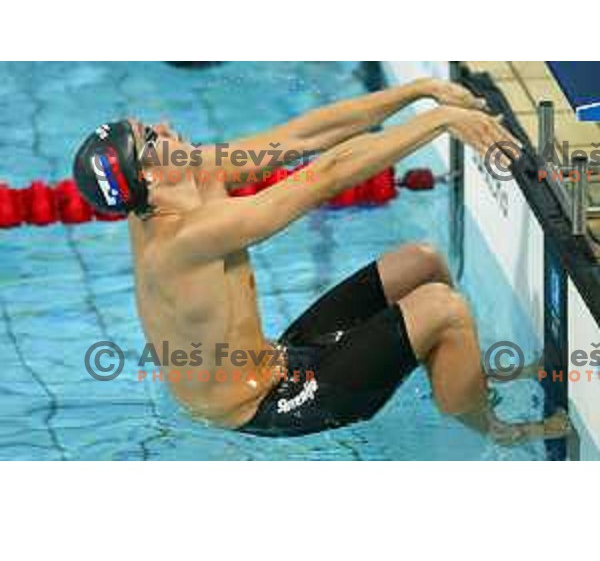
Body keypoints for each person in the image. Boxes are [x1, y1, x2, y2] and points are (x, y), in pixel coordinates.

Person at [73, 77, 569, 443]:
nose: (163, 126)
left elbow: (302, 138)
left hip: (279, 359)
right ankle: (495, 430)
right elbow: (323, 177)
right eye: (152, 139)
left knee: (420, 262)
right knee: (442, 306)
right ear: (150, 181)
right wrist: (440, 122)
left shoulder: (184, 176)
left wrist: (418, 92)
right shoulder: (183, 239)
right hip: (267, 406)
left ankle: (463, 378)